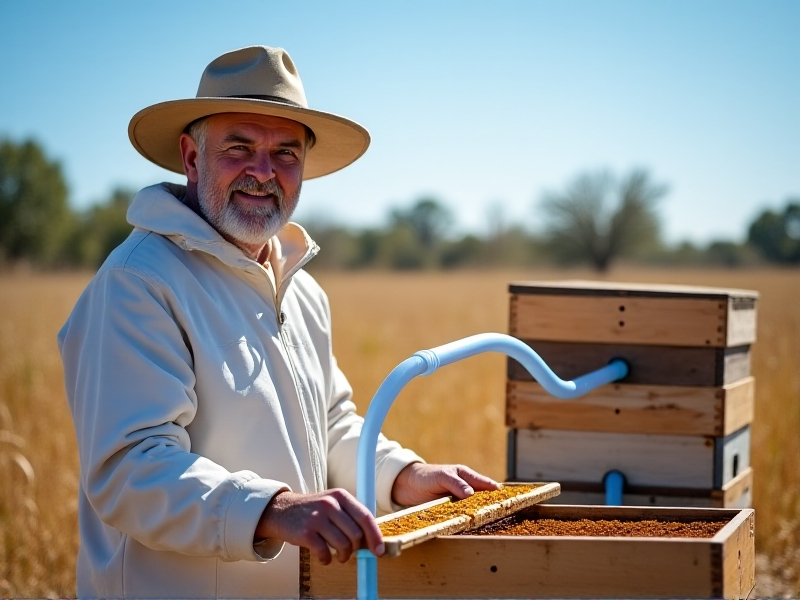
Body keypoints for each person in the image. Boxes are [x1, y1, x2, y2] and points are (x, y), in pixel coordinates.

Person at [58, 45, 499, 599]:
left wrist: (402, 476)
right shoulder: (138, 282)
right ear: (192, 157)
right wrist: (276, 509)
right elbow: (130, 469)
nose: (263, 173)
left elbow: (331, 423)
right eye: (239, 147)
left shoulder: (303, 290)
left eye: (285, 153)